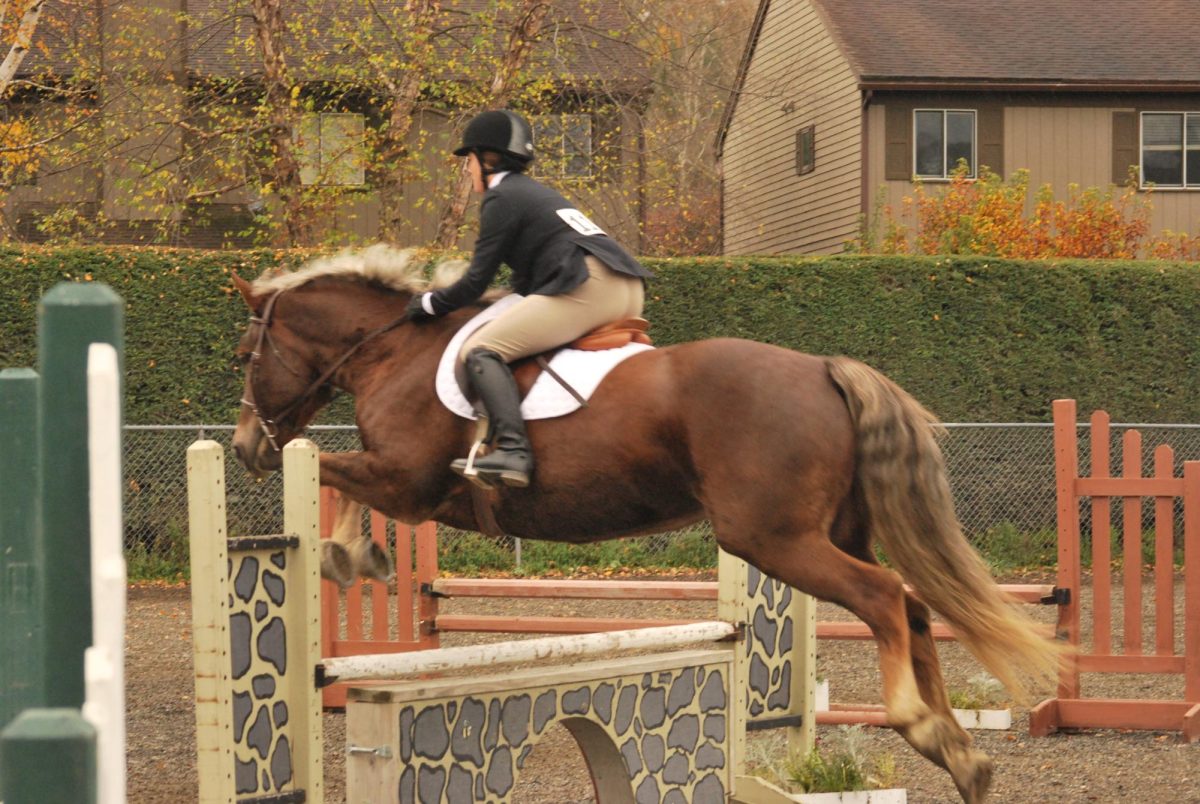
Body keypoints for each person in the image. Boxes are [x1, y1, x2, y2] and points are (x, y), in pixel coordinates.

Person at [406, 109, 653, 488]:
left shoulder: (502, 197)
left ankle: (513, 451)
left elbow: (476, 280)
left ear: (487, 160)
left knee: (484, 350)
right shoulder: (534, 194)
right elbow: (524, 281)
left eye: (468, 162)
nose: (467, 171)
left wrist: (429, 304)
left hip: (590, 287)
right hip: (625, 288)